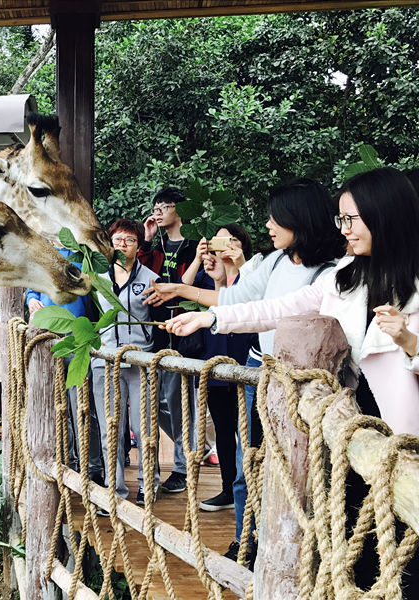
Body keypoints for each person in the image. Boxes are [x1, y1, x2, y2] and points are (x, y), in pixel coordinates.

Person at [164, 167, 419, 588]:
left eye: (351, 219)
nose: (345, 230)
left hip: (403, 434)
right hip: (351, 426)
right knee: (357, 538)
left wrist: (409, 340)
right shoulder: (344, 279)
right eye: (341, 220)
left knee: (404, 550)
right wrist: (210, 317)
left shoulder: (411, 284)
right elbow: (274, 309)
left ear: (384, 215)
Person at [146, 178, 347, 561]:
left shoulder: (331, 274)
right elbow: (236, 299)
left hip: (302, 386)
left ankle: (293, 555)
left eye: (275, 219)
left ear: (299, 220)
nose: (268, 226)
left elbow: (271, 313)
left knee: (293, 472)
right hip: (259, 373)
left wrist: (208, 319)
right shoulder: (274, 260)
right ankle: (245, 542)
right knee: (245, 465)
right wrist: (182, 292)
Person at [180, 224, 257, 512]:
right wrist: (208, 269)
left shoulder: (252, 274)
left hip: (246, 360)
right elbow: (216, 305)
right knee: (224, 430)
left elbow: (247, 303)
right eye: (220, 239)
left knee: (247, 432)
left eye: (232, 239)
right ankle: (229, 489)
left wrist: (239, 264)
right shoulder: (209, 273)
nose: (225, 244)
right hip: (214, 358)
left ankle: (250, 493)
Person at [91, 219, 159, 509]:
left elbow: (164, 311)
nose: (123, 244)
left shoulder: (151, 277)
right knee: (110, 428)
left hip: (140, 358)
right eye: (117, 239)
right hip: (106, 359)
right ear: (110, 244)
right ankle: (114, 490)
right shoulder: (97, 279)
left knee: (143, 427)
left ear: (138, 246)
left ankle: (148, 486)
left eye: (129, 240)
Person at [138, 186, 198, 495]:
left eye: (166, 206)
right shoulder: (156, 247)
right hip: (157, 332)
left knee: (178, 401)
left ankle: (182, 468)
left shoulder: (193, 247)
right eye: (156, 206)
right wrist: (146, 238)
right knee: (157, 401)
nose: (158, 211)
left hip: (185, 333)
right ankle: (193, 444)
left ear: (180, 211)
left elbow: (190, 288)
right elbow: (138, 274)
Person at [28, 248, 104, 486]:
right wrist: (31, 299)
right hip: (46, 335)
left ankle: (92, 467)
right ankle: (64, 462)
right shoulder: (41, 250)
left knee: (81, 405)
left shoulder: (85, 253)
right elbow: (31, 287)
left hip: (77, 336)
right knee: (54, 406)